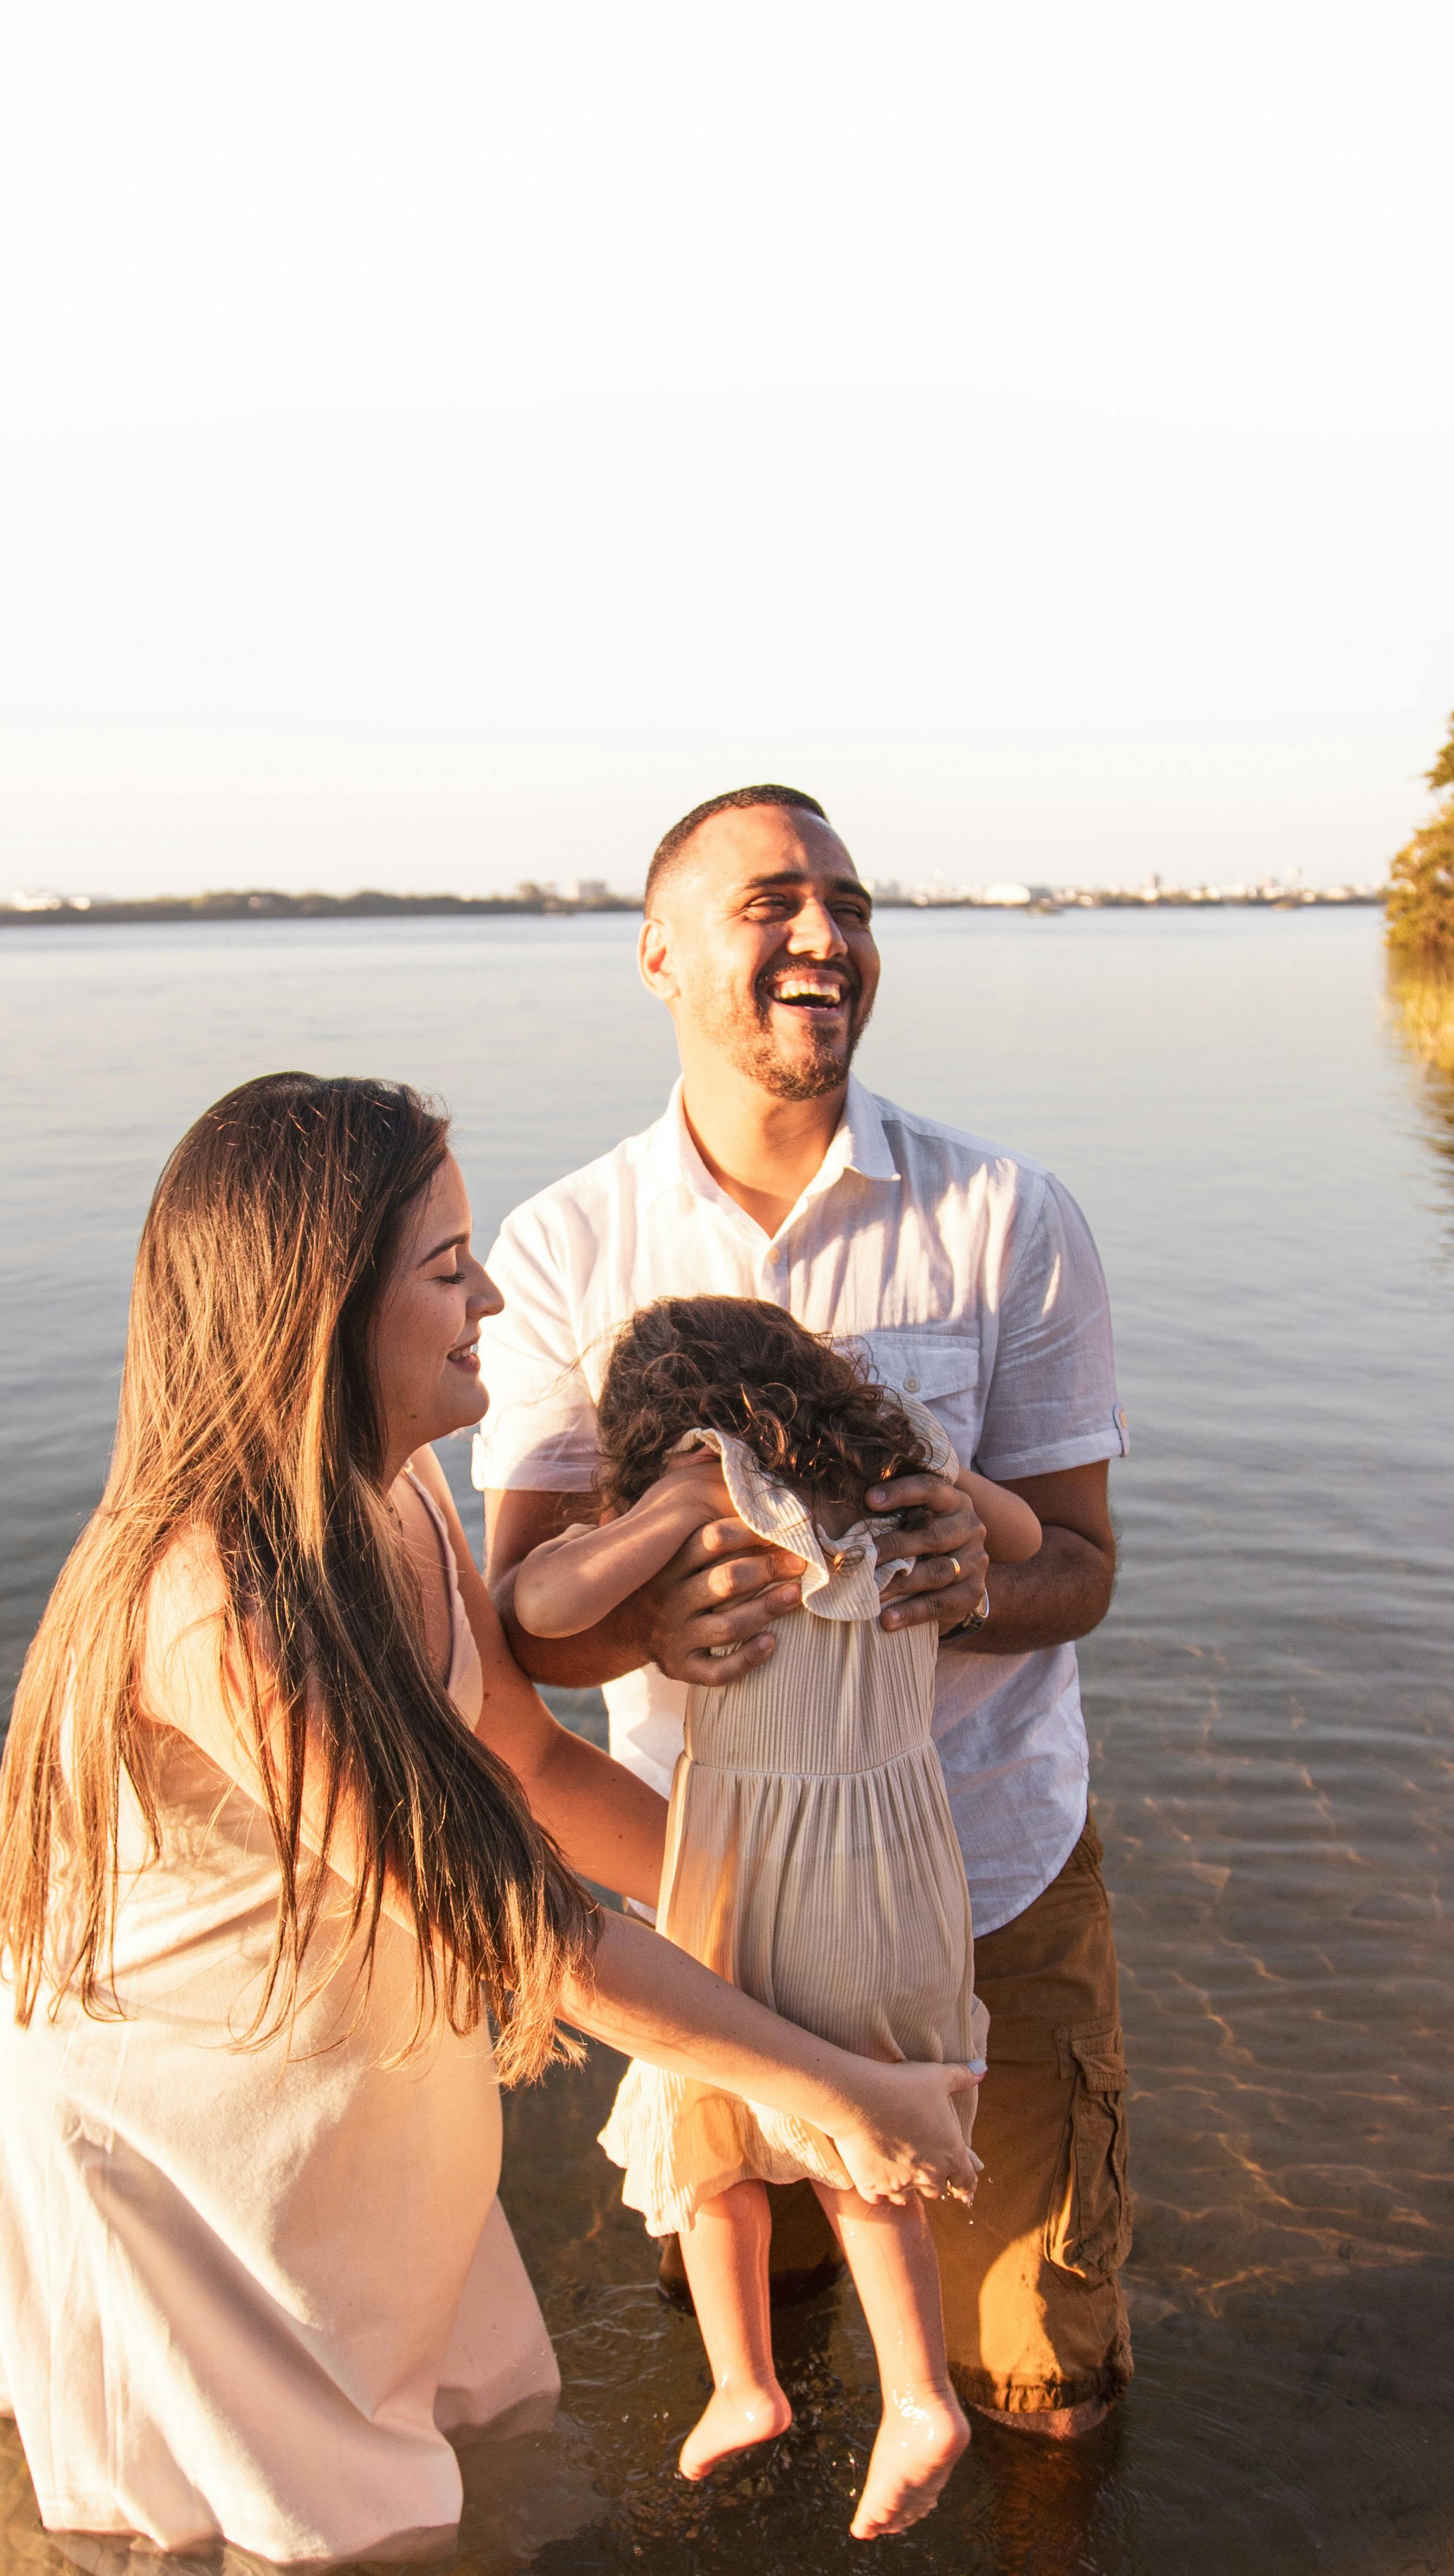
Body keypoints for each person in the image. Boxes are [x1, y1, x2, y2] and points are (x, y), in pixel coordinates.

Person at [0, 1069, 977, 2565]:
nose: (491, 1295)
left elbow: (536, 1777)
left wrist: (785, 1942)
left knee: (458, 2449)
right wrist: (831, 2088)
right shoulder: (210, 1595)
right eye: (446, 1268)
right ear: (324, 1307)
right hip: (186, 2128)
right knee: (241, 2557)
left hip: (358, 2054)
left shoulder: (404, 1495)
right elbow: (500, 1907)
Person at [478, 787, 1131, 2442]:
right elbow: (530, 1632)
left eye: (848, 902)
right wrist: (652, 1625)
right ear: (659, 954)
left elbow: (1085, 1568)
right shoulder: (567, 1246)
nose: (827, 937)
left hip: (989, 1875)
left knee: (1044, 2365)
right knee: (751, 2285)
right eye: (773, 902)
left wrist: (979, 1586)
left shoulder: (1007, 1219)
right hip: (724, 1910)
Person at [501, 1294, 1046, 2537]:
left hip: (748, 1864)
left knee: (710, 2124)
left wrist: (673, 1507)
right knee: (860, 2139)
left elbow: (540, 1609)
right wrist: (961, 1503)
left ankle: (746, 2384)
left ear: (656, 1423)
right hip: (901, 1861)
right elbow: (1014, 1531)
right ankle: (914, 2396)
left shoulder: (706, 1478)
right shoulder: (904, 1442)